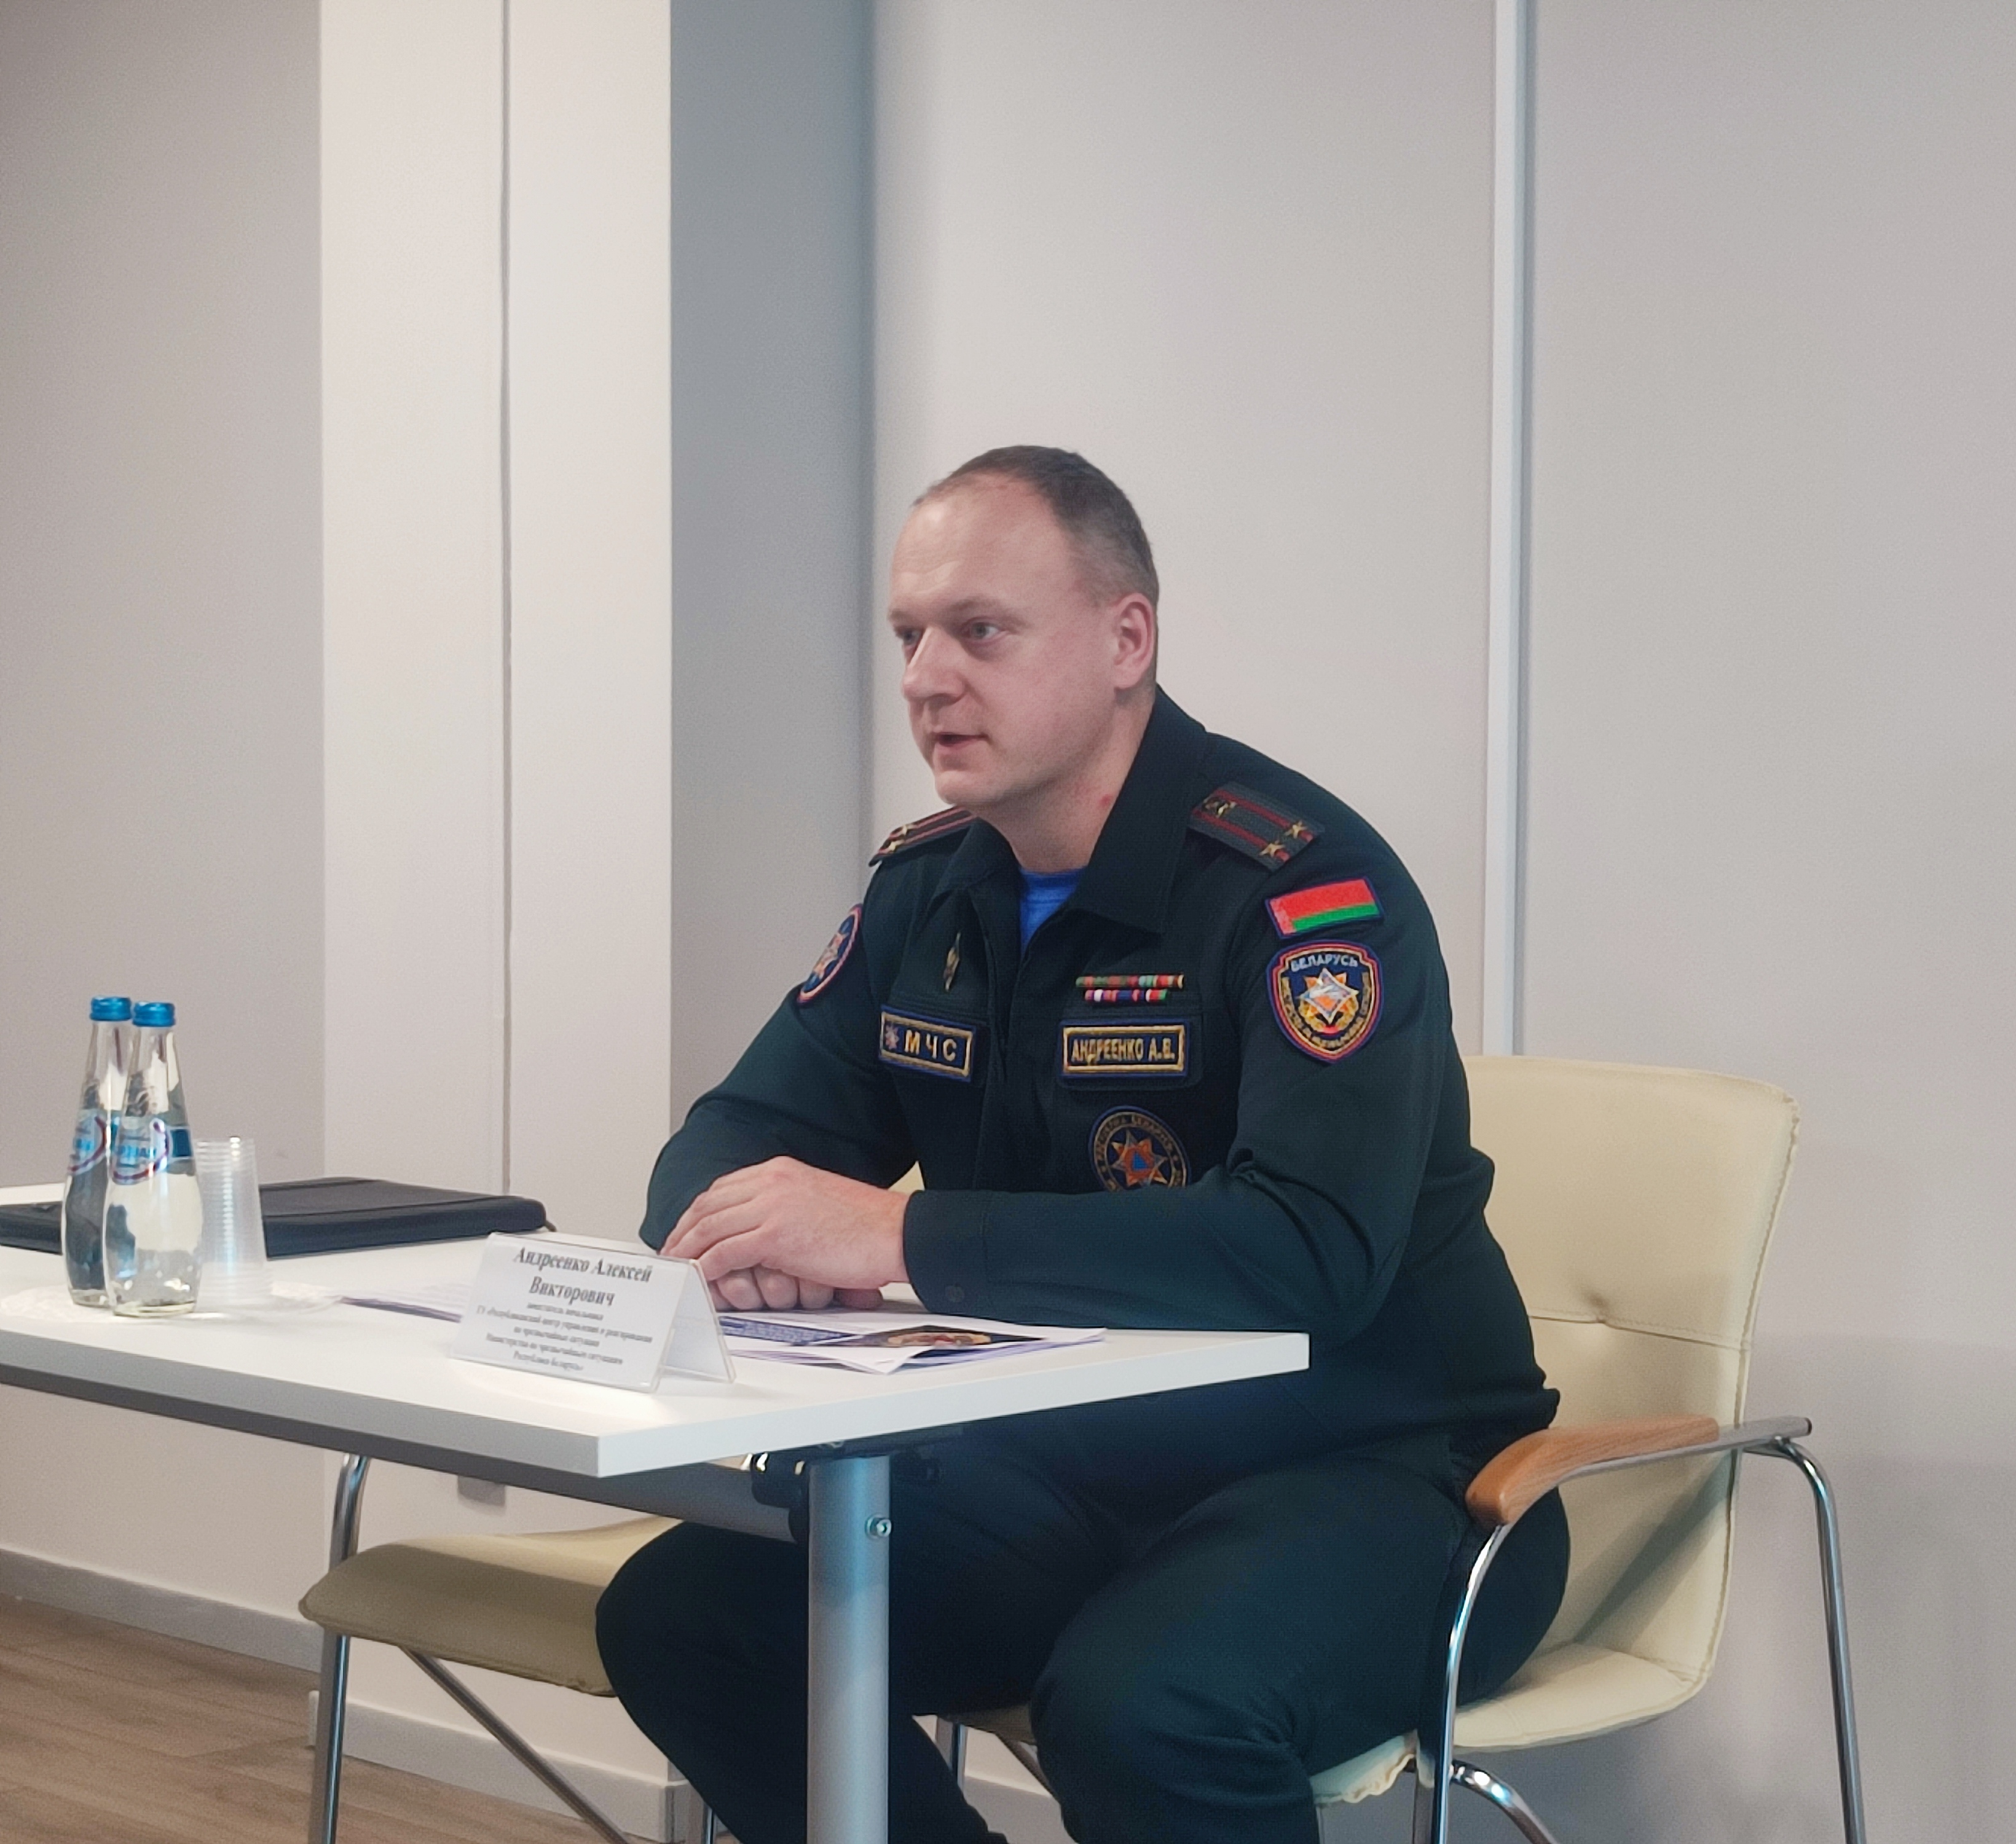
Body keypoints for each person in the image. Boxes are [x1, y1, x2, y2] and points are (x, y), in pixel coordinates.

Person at [596, 446, 1568, 1844]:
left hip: (1385, 1470)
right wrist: (731, 1233)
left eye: (980, 630)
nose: (928, 677)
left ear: (1127, 642)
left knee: (1143, 1710)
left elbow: (1306, 1253)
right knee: (693, 1617)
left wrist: (894, 1236)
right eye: (909, 636)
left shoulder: (1302, 892)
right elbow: (739, 1131)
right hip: (1078, 1464)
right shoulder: (929, 887)